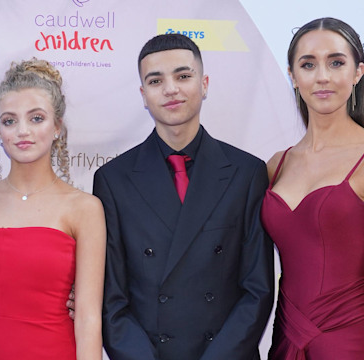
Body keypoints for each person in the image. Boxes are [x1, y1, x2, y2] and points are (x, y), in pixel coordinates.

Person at [92, 33, 275, 359]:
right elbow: (111, 300)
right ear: (143, 95)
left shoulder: (246, 173)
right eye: (155, 80)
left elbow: (257, 290)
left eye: (183, 76)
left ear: (204, 84)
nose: (171, 89)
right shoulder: (112, 180)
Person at [0, 58, 106, 360]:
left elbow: (88, 319)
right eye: (10, 120)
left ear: (57, 126)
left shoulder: (84, 209)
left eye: (36, 118)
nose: (23, 131)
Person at [261, 17, 364, 359]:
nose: (322, 76)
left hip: (353, 343)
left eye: (336, 62)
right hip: (286, 340)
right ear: (292, 76)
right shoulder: (276, 165)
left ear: (358, 73)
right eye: (308, 64)